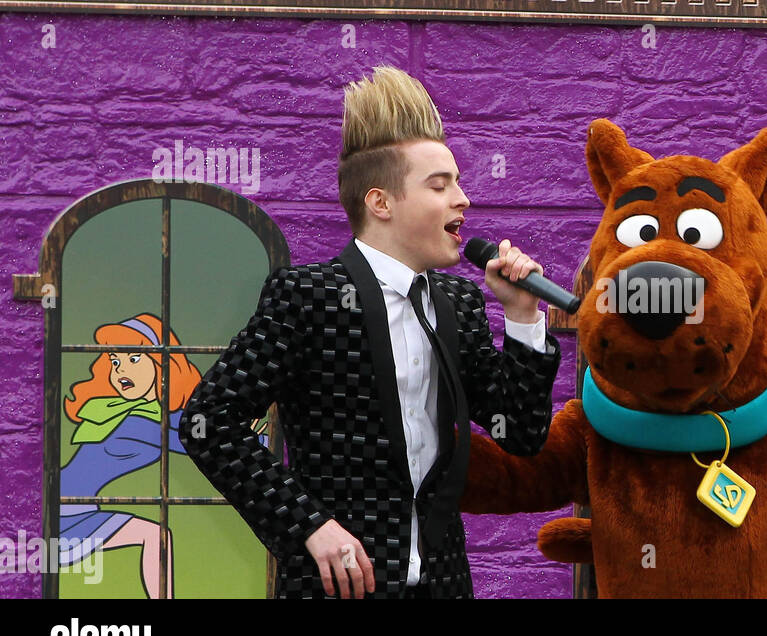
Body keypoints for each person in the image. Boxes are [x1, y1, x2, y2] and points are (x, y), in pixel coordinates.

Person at [181, 65, 561, 599]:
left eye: (458, 181)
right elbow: (208, 420)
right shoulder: (307, 296)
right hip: (338, 589)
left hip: (442, 584)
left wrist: (522, 317)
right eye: (440, 184)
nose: (464, 199)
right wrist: (309, 527)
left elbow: (519, 434)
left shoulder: (459, 303)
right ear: (380, 202)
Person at [61, 314, 206, 599]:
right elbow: (195, 439)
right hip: (66, 510)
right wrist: (257, 440)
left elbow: (186, 426)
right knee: (156, 536)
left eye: (133, 359)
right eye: (115, 361)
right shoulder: (137, 421)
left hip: (72, 506)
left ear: (162, 362)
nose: (120, 370)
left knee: (155, 535)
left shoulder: (143, 414)